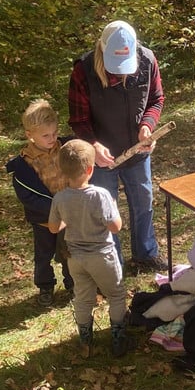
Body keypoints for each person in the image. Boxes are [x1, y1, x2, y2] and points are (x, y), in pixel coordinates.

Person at [68, 19, 167, 275]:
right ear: (102, 50)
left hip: (137, 152)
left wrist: (147, 125)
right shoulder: (84, 70)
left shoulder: (147, 61)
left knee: (143, 201)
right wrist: (93, 145)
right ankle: (113, 264)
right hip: (102, 156)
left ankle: (146, 255)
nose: (121, 74)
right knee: (105, 209)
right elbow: (78, 119)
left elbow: (156, 99)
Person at [47, 139, 132, 357]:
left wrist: (71, 219)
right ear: (90, 169)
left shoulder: (60, 198)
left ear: (63, 171)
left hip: (75, 259)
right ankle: (118, 338)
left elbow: (54, 228)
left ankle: (85, 340)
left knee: (83, 299)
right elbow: (115, 227)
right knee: (116, 295)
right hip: (102, 256)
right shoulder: (100, 195)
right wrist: (114, 206)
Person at [5, 98, 74, 307]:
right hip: (43, 220)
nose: (52, 138)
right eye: (45, 136)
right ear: (30, 135)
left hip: (68, 218)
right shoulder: (23, 166)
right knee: (43, 256)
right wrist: (53, 210)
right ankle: (45, 286)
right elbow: (28, 196)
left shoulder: (66, 148)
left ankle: (73, 284)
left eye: (54, 133)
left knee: (69, 252)